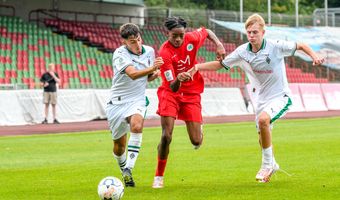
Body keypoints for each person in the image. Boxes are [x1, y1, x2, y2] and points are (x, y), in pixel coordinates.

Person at [189, 13, 324, 183]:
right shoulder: (242, 51)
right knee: (262, 136)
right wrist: (196, 67)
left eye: (255, 32)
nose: (252, 36)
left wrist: (315, 56)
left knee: (263, 120)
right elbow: (220, 65)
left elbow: (301, 45)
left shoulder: (275, 46)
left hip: (280, 96)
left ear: (263, 32)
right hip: (261, 99)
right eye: (249, 32)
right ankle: (272, 164)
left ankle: (267, 165)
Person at [152, 16, 226, 188]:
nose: (178, 39)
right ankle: (158, 176)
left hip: (192, 92)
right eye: (174, 36)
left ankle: (199, 130)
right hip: (171, 92)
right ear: (167, 33)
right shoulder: (164, 53)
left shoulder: (192, 38)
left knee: (196, 141)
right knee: (166, 135)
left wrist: (219, 44)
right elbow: (173, 86)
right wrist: (178, 78)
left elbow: (206, 31)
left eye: (181, 35)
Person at [105, 23, 163, 187]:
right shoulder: (119, 54)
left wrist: (154, 74)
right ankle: (123, 169)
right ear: (124, 42)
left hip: (137, 100)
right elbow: (132, 74)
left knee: (137, 127)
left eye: (138, 39)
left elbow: (147, 77)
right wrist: (153, 68)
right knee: (119, 146)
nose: (137, 44)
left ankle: (129, 169)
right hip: (116, 103)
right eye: (132, 41)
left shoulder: (150, 51)